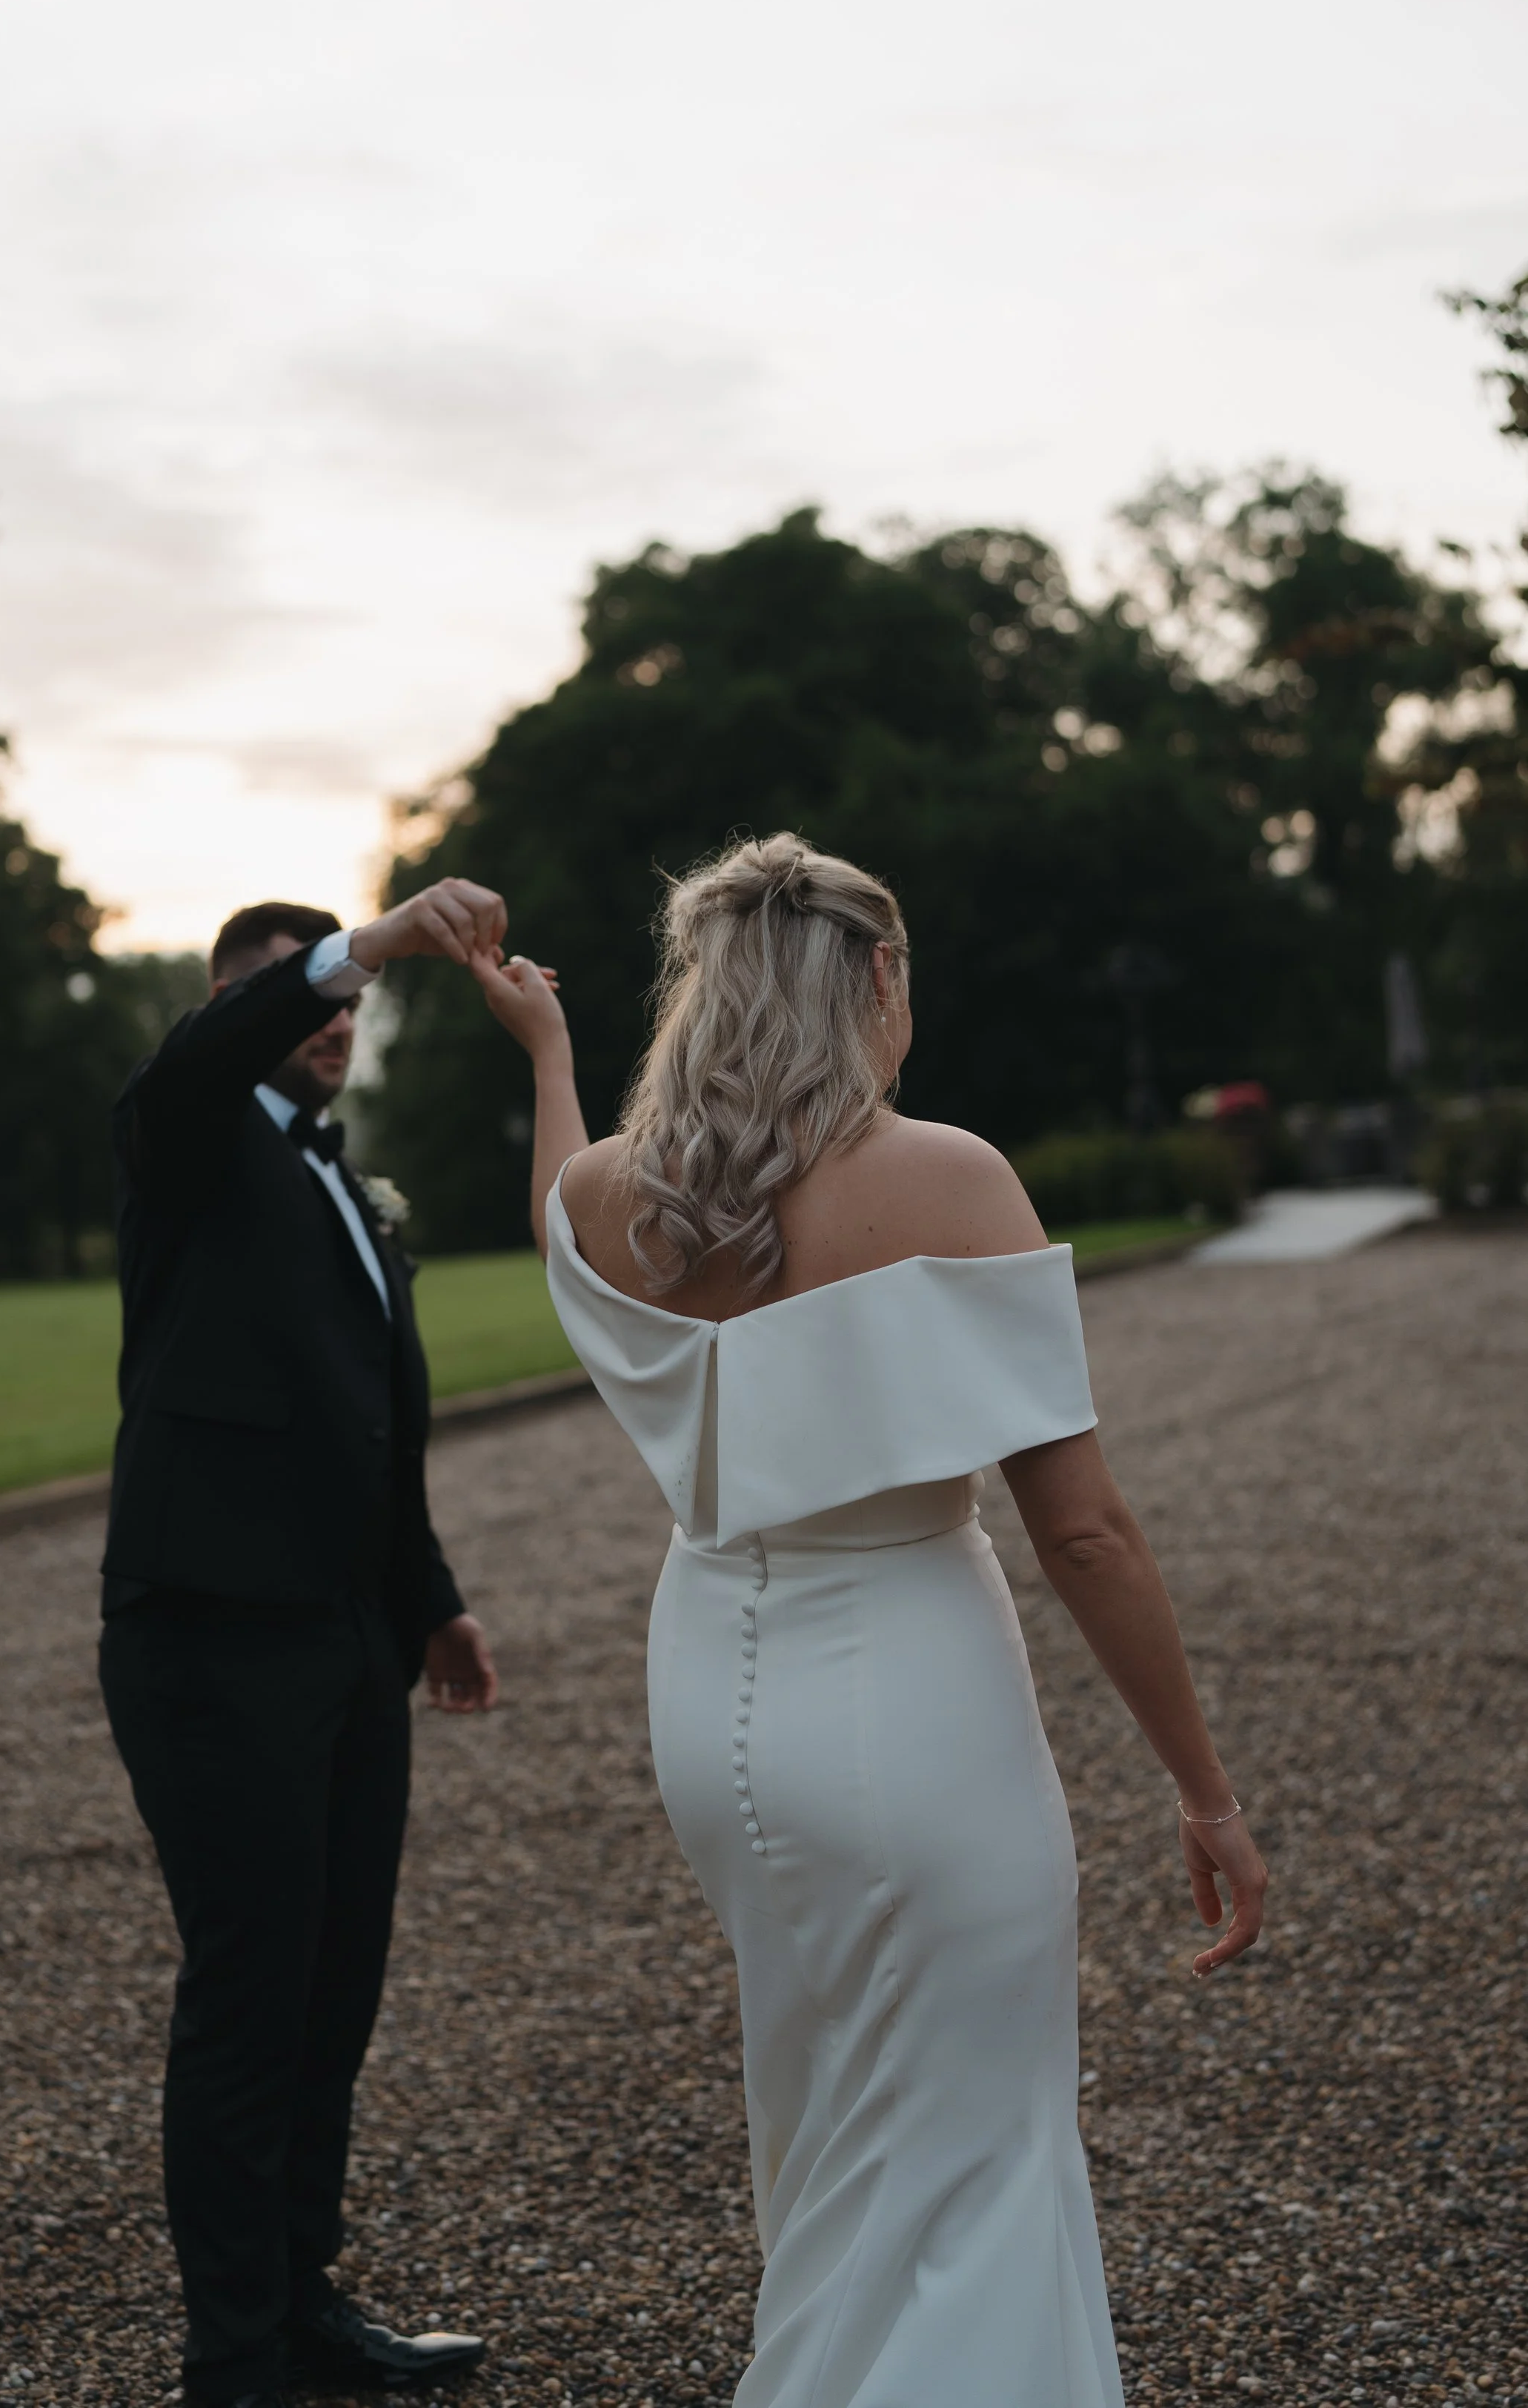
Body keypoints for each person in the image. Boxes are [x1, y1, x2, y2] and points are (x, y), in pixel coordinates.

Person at [474, 833, 1266, 2408]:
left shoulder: (615, 1196)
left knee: (827, 2110)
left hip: (712, 1699)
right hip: (905, 1688)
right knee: (978, 2139)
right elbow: (1084, 1532)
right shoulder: (946, 1178)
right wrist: (1203, 1791)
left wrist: (550, 1055)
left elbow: (564, 1218)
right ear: (877, 979)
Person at [99, 878, 506, 2407]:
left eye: (345, 1001)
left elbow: (365, 1426)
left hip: (344, 1638)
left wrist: (430, 1600)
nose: (335, 1018)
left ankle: (301, 2303)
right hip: (209, 1638)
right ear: (232, 1009)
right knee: (252, 1987)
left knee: (334, 1987)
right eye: (307, 994)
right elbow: (196, 1062)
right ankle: (235, 2362)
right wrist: (366, 940)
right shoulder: (186, 1141)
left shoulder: (340, 1181)